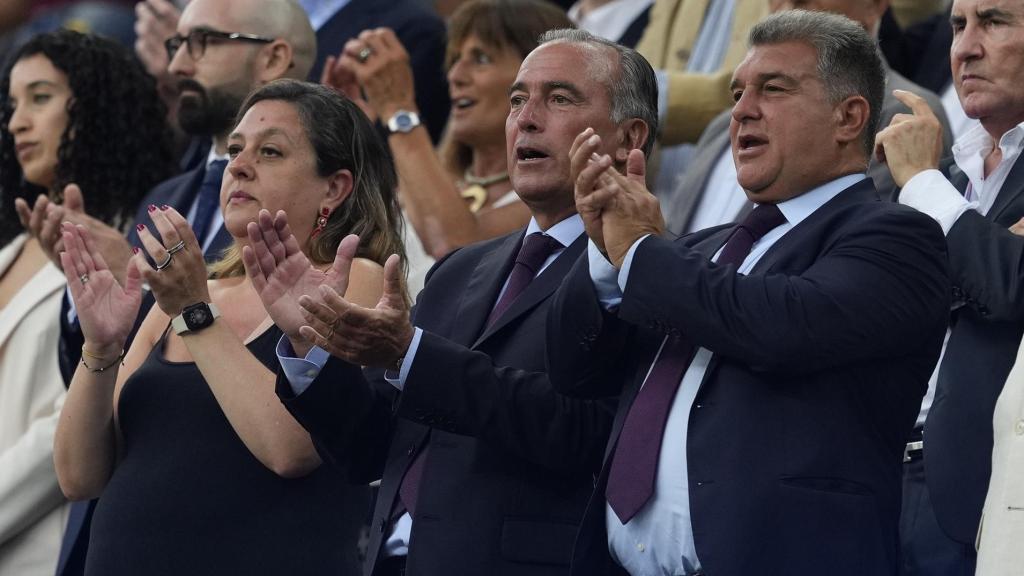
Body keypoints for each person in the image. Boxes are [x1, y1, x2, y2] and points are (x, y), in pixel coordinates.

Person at [549, 10, 950, 575]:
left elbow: (780, 327)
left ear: (848, 116)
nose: (741, 110)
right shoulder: (695, 250)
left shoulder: (896, 237)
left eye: (774, 88)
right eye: (737, 92)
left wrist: (638, 249)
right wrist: (604, 250)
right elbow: (574, 370)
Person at [254, 28, 655, 576]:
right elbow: (369, 449)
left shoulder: (639, 268)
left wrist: (411, 355)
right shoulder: (461, 269)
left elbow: (585, 432)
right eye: (518, 100)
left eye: (559, 98)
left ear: (630, 137)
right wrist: (310, 343)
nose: (526, 119)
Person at [52, 79, 403, 575]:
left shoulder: (353, 281)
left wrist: (196, 314)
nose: (237, 164)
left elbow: (291, 449)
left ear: (334, 187)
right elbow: (78, 476)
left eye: (271, 151)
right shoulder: (186, 296)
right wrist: (102, 347)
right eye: (235, 149)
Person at [0, 29, 174, 575]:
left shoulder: (132, 245)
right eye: (12, 104)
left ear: (96, 107)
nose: (16, 123)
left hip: (43, 548)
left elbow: (69, 422)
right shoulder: (10, 248)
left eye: (41, 97)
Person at [873, 1, 1024, 574]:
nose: (965, 47)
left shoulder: (930, 180)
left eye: (994, 22)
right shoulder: (954, 179)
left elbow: (1009, 285)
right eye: (959, 26)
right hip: (884, 479)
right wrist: (980, 247)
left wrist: (922, 184)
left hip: (985, 500)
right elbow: (884, 307)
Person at [324, 0, 572, 293]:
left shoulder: (556, 198)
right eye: (455, 59)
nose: (455, 76)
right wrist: (345, 137)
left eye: (480, 59)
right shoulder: (423, 180)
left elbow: (455, 248)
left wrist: (398, 108)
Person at [661, 0, 954, 234]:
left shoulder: (902, 116)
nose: (790, 6)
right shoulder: (721, 126)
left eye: (774, 88)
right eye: (738, 94)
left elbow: (851, 255)